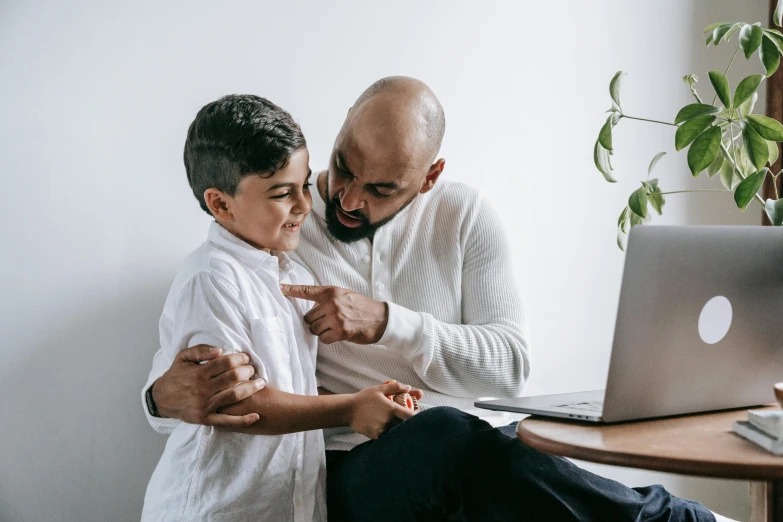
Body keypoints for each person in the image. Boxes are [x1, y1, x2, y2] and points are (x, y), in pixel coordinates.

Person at [143, 79, 733, 521]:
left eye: (380, 189)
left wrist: (389, 325)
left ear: (428, 178)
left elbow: (510, 366)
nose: (343, 200)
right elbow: (206, 357)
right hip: (354, 463)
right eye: (342, 168)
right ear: (342, 125)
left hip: (463, 445)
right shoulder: (279, 232)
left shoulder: (464, 217)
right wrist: (157, 397)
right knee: (450, 440)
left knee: (482, 447)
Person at [140, 94, 421, 522]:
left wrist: (372, 399)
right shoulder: (211, 278)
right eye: (281, 193)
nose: (304, 206)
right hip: (217, 508)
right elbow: (237, 404)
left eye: (305, 185)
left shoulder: (289, 274)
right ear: (221, 204)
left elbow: (295, 389)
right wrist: (351, 408)